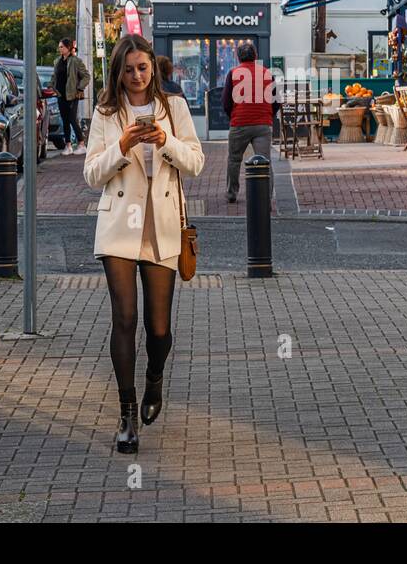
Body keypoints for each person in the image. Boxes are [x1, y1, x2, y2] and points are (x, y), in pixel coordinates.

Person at [82, 33, 205, 454]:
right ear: (118, 71)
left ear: (153, 68)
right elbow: (92, 175)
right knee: (125, 319)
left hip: (163, 225)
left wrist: (164, 142)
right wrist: (123, 145)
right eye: (129, 69)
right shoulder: (106, 113)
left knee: (159, 328)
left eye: (143, 67)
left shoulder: (175, 108)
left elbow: (196, 162)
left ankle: (155, 377)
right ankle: (127, 413)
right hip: (118, 225)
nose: (136, 76)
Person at [221, 41, 279, 204]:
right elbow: (276, 102)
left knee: (234, 159)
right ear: (256, 56)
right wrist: (268, 116)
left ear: (238, 57)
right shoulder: (267, 74)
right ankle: (266, 195)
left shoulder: (233, 73)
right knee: (265, 160)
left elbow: (226, 101)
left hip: (239, 123)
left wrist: (233, 116)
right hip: (262, 124)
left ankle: (232, 193)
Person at [53, 37, 90, 155]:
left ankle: (81, 144)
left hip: (72, 94)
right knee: (65, 120)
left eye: (62, 47)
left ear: (68, 48)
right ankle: (68, 145)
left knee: (72, 119)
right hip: (60, 94)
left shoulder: (76, 61)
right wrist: (51, 87)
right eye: (59, 47)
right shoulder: (57, 61)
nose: (60, 49)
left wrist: (79, 88)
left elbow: (86, 76)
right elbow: (55, 76)